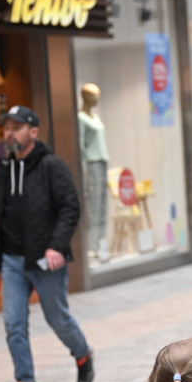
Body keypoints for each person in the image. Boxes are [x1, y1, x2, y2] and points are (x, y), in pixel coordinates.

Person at [0, 105, 94, 382]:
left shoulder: (52, 166)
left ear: (33, 132)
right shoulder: (5, 168)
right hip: (12, 260)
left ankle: (83, 354)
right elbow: (0, 215)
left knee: (57, 318)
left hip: (44, 259)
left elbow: (70, 208)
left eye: (17, 127)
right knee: (14, 324)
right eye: (7, 127)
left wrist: (56, 246)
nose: (10, 132)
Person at [78, 83, 110, 260]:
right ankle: (92, 245)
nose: (97, 98)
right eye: (94, 95)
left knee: (103, 204)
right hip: (91, 163)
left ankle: (102, 244)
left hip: (102, 160)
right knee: (93, 206)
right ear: (85, 97)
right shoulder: (81, 118)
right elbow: (80, 146)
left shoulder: (95, 117)